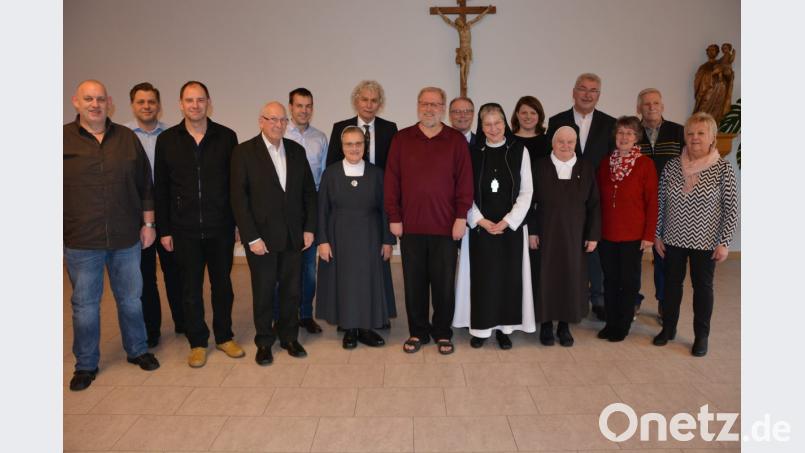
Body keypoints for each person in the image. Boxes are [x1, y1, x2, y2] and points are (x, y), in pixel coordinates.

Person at [64, 80, 160, 391]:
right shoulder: (61, 139)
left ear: (110, 103)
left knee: (131, 299)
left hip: (125, 237)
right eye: (88, 99)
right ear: (76, 102)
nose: (95, 104)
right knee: (85, 306)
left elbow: (146, 185)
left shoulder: (127, 139)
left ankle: (138, 350)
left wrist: (148, 225)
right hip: (81, 240)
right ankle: (86, 364)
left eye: (100, 99)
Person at [154, 81, 242, 368]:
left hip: (220, 227)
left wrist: (239, 223)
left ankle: (225, 336)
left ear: (208, 103)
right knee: (190, 288)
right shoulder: (167, 140)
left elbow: (236, 185)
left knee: (222, 286)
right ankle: (197, 342)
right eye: (189, 100)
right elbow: (162, 189)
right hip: (184, 229)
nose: (195, 105)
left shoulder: (227, 137)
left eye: (200, 100)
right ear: (181, 104)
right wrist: (164, 229)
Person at [384, 86, 473, 355]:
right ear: (418, 106)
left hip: (446, 227)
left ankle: (442, 332)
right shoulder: (402, 139)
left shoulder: (455, 140)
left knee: (444, 283)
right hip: (410, 226)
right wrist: (394, 217)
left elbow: (465, 184)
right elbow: (391, 182)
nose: (430, 108)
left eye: (435, 104)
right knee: (414, 283)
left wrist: (461, 217)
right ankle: (418, 332)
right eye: (425, 103)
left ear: (443, 107)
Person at [231, 101, 317, 365]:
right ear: (261, 121)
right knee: (264, 291)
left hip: (293, 236)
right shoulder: (244, 152)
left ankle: (290, 337)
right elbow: (239, 199)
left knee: (292, 290)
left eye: (282, 120)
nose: (278, 125)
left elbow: (308, 194)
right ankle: (264, 341)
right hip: (262, 239)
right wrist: (251, 237)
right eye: (272, 119)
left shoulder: (296, 151)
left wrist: (309, 228)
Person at [652, 112, 738, 357]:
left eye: (701, 133)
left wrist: (724, 242)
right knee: (671, 286)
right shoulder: (671, 166)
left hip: (706, 242)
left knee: (703, 289)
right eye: (690, 133)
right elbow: (661, 202)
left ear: (712, 138)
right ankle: (668, 329)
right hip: (672, 238)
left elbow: (731, 207)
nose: (694, 138)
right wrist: (658, 234)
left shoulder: (723, 169)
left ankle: (702, 336)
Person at [454, 103, 535, 349]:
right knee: (483, 278)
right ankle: (480, 329)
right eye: (487, 124)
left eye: (497, 123)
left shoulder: (519, 150)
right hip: (480, 227)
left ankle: (504, 329)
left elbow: (527, 190)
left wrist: (508, 221)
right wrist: (479, 219)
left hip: (510, 227)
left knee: (508, 278)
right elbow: (464, 190)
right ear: (481, 126)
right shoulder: (472, 152)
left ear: (505, 123)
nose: (493, 128)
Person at [316, 126, 395, 349]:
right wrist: (323, 240)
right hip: (338, 236)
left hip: (370, 236)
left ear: (365, 145)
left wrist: (388, 240)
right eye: (349, 144)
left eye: (358, 143)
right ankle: (349, 328)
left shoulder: (377, 173)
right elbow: (321, 209)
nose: (354, 148)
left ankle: (365, 328)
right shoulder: (330, 173)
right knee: (345, 282)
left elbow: (385, 209)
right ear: (342, 147)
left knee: (367, 281)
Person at [547, 73, 615, 321]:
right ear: (573, 92)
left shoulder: (610, 124)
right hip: (564, 197)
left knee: (593, 247)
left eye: (593, 90)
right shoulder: (556, 121)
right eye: (583, 89)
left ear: (599, 94)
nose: (587, 94)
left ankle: (597, 298)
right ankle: (565, 297)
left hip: (595, 194)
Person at [124, 82, 184, 347]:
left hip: (170, 216)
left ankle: (183, 321)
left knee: (177, 273)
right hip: (137, 218)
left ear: (159, 105)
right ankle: (152, 329)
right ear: (132, 105)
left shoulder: (172, 135)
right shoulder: (123, 137)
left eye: (151, 101)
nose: (147, 106)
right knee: (145, 276)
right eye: (141, 102)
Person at [531, 126, 601, 347]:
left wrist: (593, 235)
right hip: (546, 234)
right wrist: (531, 230)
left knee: (571, 279)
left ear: (576, 144)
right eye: (561, 141)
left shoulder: (586, 167)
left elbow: (595, 204)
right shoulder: (539, 166)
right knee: (546, 278)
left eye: (571, 142)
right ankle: (545, 325)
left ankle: (564, 326)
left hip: (575, 236)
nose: (565, 146)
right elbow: (528, 201)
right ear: (553, 143)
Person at [596, 116, 658, 342]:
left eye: (629, 133)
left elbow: (652, 202)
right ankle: (610, 322)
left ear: (637, 138)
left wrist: (649, 235)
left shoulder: (645, 164)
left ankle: (622, 325)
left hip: (633, 235)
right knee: (610, 280)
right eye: (621, 132)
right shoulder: (605, 163)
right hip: (607, 233)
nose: (624, 137)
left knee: (628, 281)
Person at [636, 88, 685, 322]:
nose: (651, 107)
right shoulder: (632, 133)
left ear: (662, 107)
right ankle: (632, 300)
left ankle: (664, 303)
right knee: (632, 257)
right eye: (646, 104)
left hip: (669, 205)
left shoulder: (678, 132)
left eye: (656, 103)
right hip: (637, 205)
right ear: (639, 108)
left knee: (663, 256)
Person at [281, 87, 328, 335]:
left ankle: (305, 314)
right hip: (283, 211)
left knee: (309, 269)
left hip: (310, 209)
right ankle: (282, 315)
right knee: (285, 267)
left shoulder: (320, 138)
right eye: (299, 105)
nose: (304, 110)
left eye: (308, 105)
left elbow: (323, 177)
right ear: (291, 107)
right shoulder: (279, 134)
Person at [327, 80, 398, 171]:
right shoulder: (340, 128)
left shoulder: (389, 129)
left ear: (380, 105)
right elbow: (332, 165)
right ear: (356, 102)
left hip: (379, 183)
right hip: (346, 183)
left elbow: (394, 165)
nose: (369, 105)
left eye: (374, 101)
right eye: (364, 100)